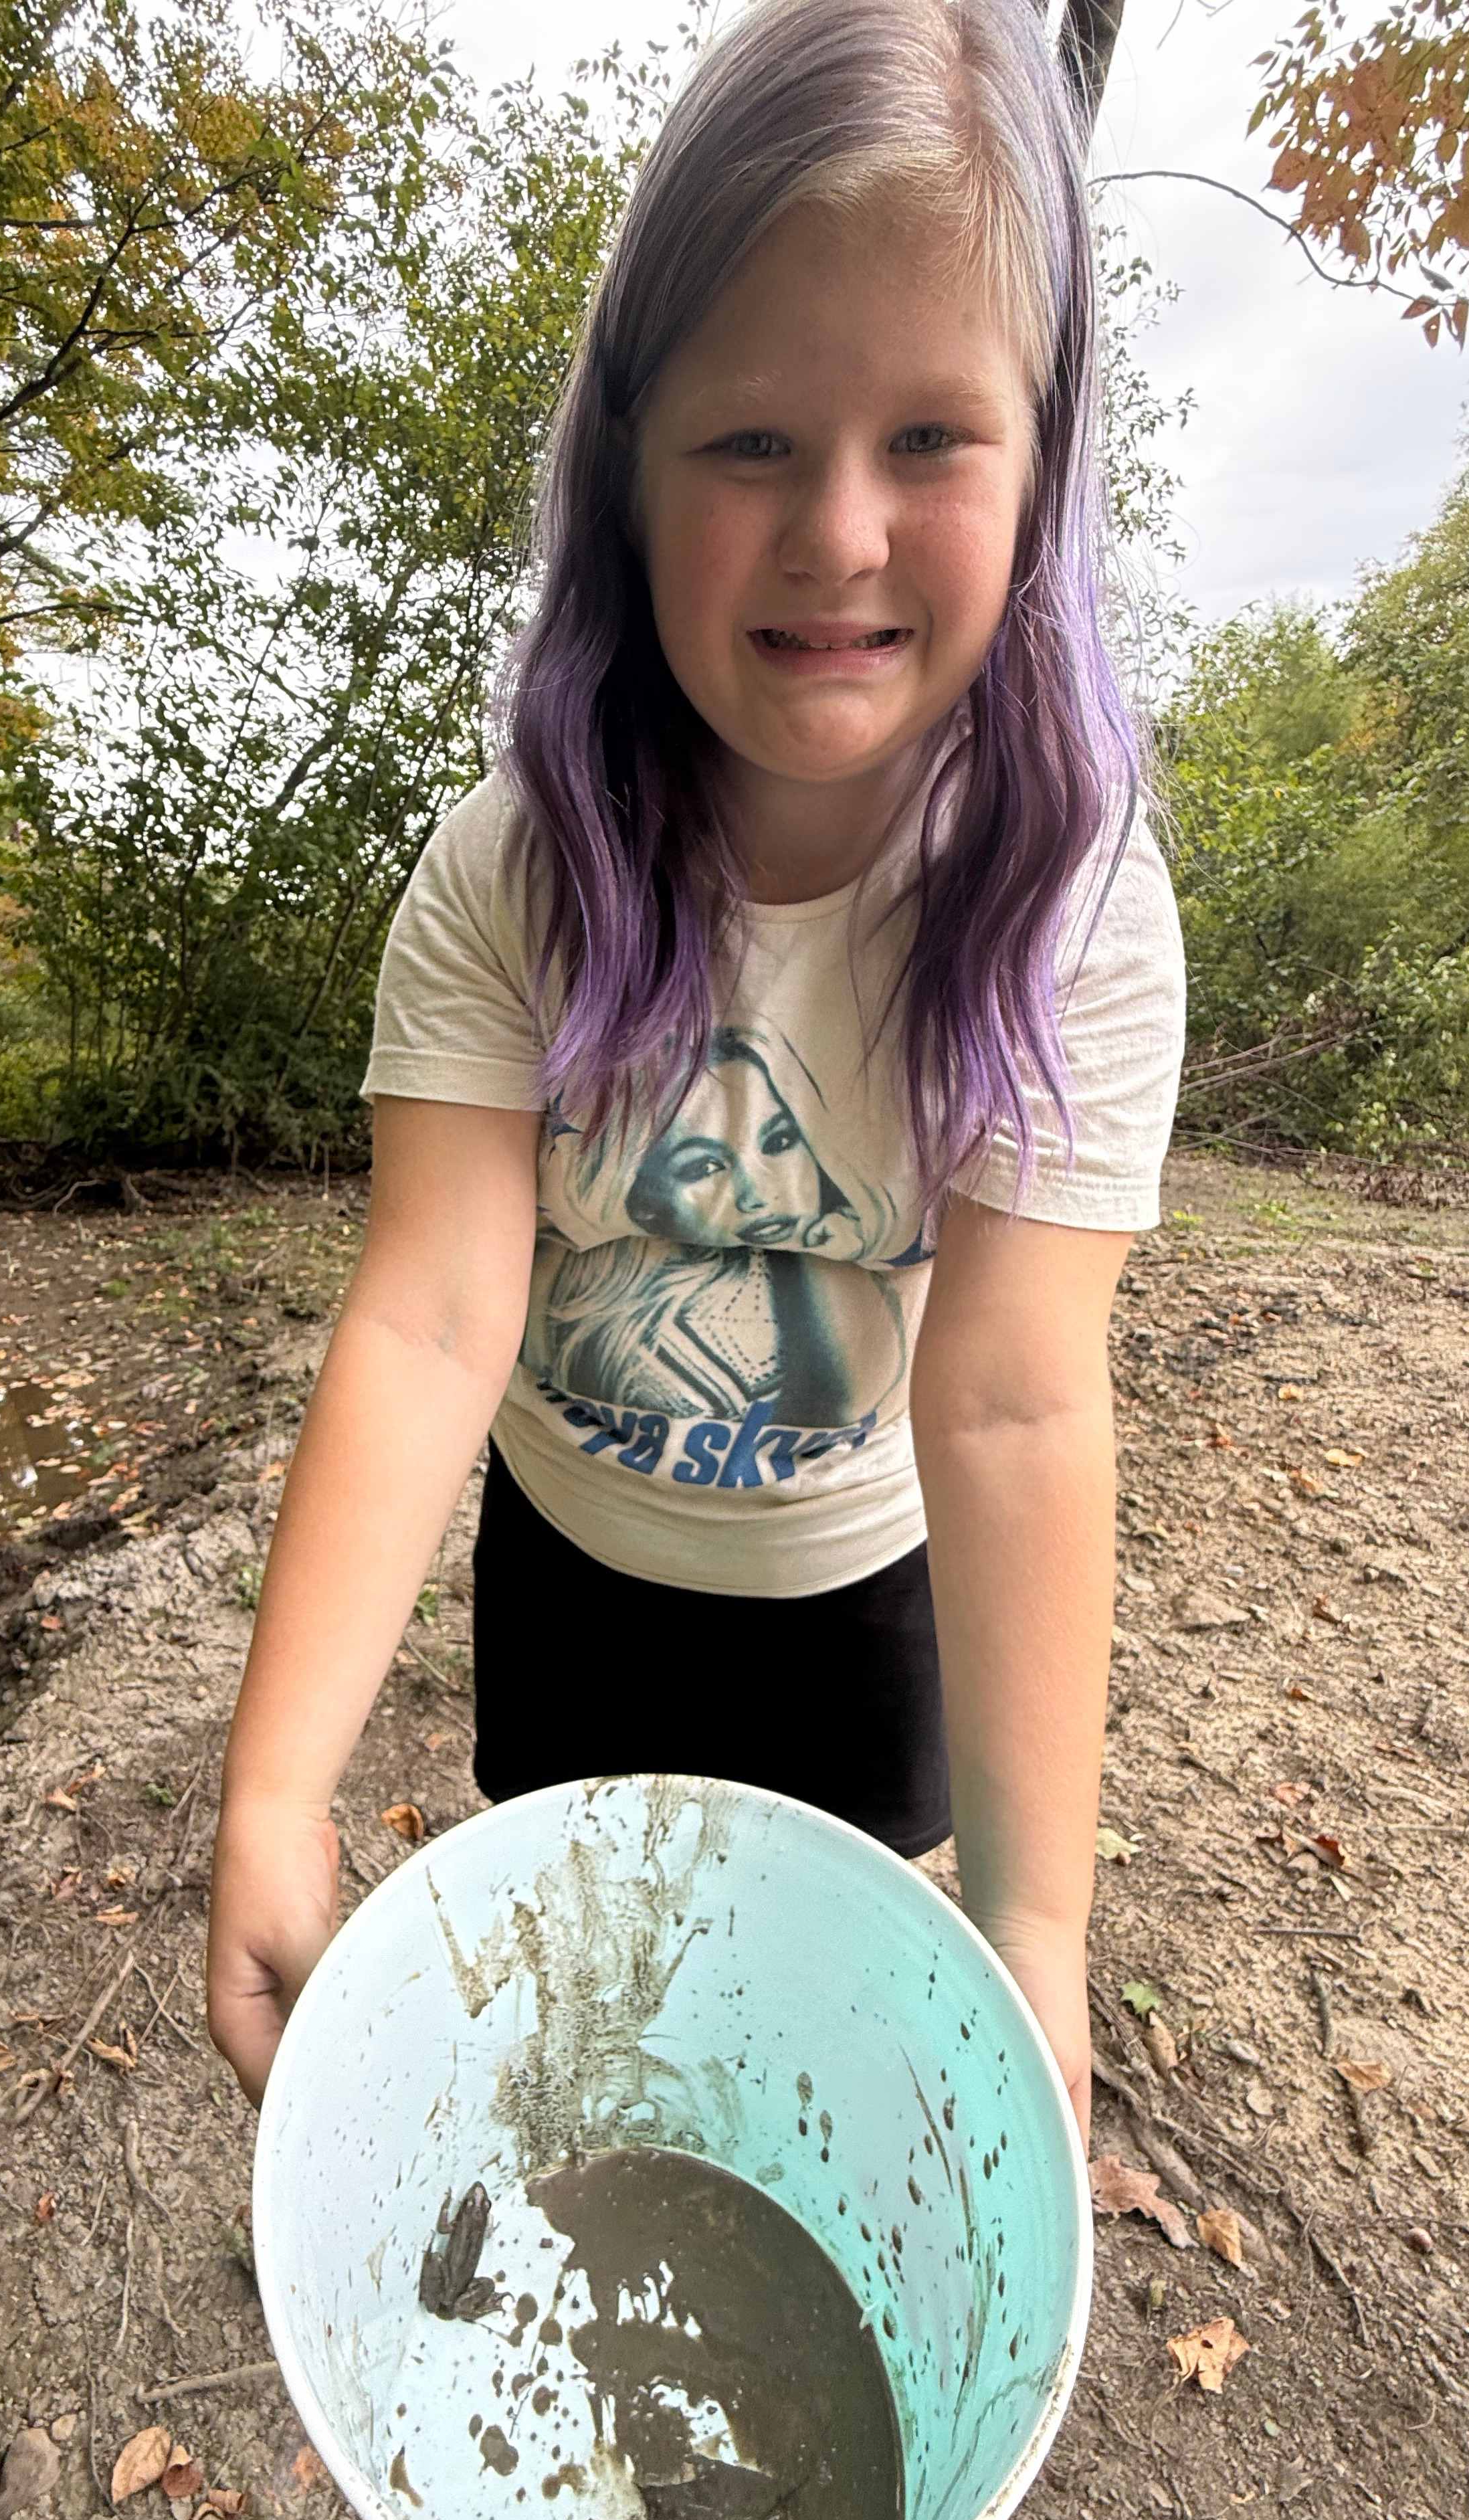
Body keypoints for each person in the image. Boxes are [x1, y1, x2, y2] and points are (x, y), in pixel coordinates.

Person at [209, 0, 1185, 2153]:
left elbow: (1018, 1395)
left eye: (932, 438)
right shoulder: (513, 871)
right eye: (753, 440)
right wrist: (276, 1784)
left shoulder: (1073, 906)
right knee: (604, 2012)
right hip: (579, 1563)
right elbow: (436, 1308)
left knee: (826, 2038)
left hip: (873, 1586)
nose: (841, 533)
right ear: (628, 470)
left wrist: (1037, 1933)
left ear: (1042, 463)